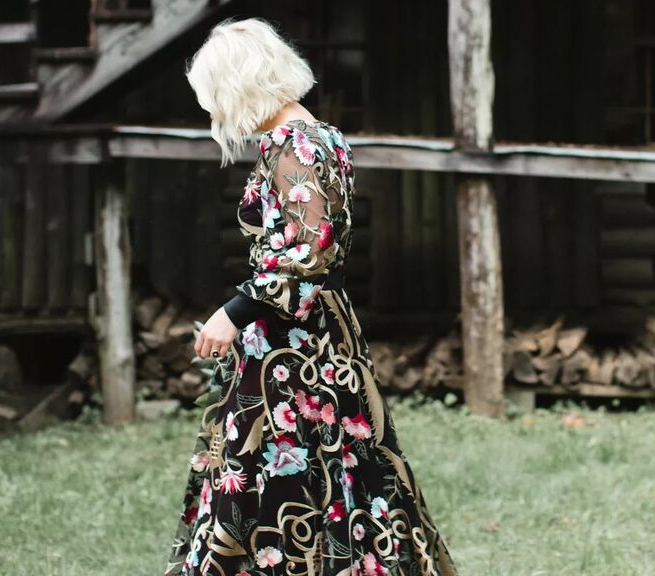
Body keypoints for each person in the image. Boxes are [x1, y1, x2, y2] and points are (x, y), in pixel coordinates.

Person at [164, 17, 459, 576]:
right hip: (303, 338)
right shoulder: (314, 137)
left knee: (297, 474)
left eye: (213, 98)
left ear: (240, 86)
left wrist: (233, 312)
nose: (212, 113)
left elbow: (309, 251)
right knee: (327, 470)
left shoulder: (297, 147)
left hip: (297, 350)